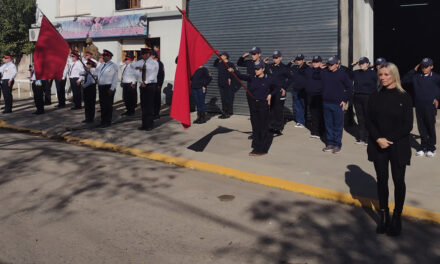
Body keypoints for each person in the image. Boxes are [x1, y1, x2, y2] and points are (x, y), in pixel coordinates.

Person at [366, 62, 413, 236]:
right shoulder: (374, 96)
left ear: (394, 75)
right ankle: (384, 215)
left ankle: (397, 217)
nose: (383, 78)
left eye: (386, 74)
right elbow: (369, 121)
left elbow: (407, 125)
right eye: (380, 75)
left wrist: (389, 139)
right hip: (378, 145)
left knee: (398, 181)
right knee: (382, 180)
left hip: (398, 146)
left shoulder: (404, 97)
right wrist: (378, 138)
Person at [229, 61, 277, 156]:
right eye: (255, 69)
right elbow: (241, 76)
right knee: (255, 126)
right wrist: (233, 71)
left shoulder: (269, 78)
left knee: (263, 126)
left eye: (258, 69)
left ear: (263, 69)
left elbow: (276, 88)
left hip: (263, 104)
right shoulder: (252, 77)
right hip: (254, 104)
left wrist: (271, 95)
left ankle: (262, 149)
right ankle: (256, 145)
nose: (256, 70)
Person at [402, 58, 440, 157]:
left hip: (430, 106)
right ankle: (423, 147)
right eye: (422, 66)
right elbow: (404, 80)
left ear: (431, 66)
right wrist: (414, 70)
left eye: (426, 66)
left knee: (430, 127)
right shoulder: (416, 77)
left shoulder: (436, 77)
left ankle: (431, 148)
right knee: (421, 127)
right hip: (419, 106)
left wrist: (437, 98)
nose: (424, 68)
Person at [321, 56, 353, 154]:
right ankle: (330, 143)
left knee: (337, 125)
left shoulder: (342, 74)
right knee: (328, 124)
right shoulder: (325, 73)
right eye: (328, 64)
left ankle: (337, 144)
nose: (329, 66)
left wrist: (345, 100)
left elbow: (350, 88)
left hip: (337, 104)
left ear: (337, 64)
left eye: (331, 64)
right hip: (326, 103)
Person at [351, 57, 378, 145]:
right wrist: (351, 66)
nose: (361, 65)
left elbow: (378, 85)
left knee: (368, 118)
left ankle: (368, 138)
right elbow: (346, 74)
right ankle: (361, 137)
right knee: (360, 118)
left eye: (363, 63)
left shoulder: (373, 73)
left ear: (367, 64)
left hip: (368, 97)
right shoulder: (356, 73)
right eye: (360, 63)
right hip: (357, 97)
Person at [131, 48, 159, 131]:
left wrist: (145, 82)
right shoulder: (140, 62)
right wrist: (137, 71)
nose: (143, 56)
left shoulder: (154, 63)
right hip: (142, 85)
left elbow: (154, 75)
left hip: (150, 85)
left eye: (144, 54)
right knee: (143, 106)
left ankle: (150, 124)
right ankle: (144, 124)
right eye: (142, 54)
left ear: (148, 54)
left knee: (149, 105)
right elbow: (132, 66)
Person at [238, 47, 263, 136]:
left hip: (260, 92)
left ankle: (262, 131)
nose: (252, 56)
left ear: (259, 54)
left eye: (254, 54)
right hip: (250, 91)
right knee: (253, 113)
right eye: (252, 54)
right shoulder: (249, 62)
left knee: (260, 113)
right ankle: (255, 132)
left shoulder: (263, 64)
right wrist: (243, 57)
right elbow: (239, 63)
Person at [265, 50, 290, 135]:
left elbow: (291, 78)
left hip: (280, 92)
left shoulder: (284, 68)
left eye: (276, 58)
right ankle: (272, 126)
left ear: (280, 58)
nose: (274, 59)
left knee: (278, 110)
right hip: (271, 91)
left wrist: (284, 88)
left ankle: (278, 128)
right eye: (273, 57)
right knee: (271, 109)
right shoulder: (270, 66)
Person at [95, 49, 118, 127]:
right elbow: (96, 73)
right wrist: (88, 70)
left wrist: (112, 88)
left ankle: (107, 121)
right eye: (103, 56)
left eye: (105, 56)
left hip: (108, 87)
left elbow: (115, 78)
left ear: (109, 57)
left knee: (108, 105)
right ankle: (103, 121)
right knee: (102, 105)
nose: (103, 57)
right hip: (101, 86)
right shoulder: (101, 65)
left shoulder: (113, 65)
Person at [304, 56, 325, 139]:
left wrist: (321, 69)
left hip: (320, 95)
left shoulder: (323, 71)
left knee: (321, 114)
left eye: (317, 62)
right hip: (310, 95)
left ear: (320, 62)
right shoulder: (309, 70)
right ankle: (314, 132)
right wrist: (305, 65)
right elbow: (300, 71)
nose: (315, 63)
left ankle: (321, 131)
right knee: (313, 114)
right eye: (314, 62)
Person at [287, 53, 308, 128]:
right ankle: (300, 121)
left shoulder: (306, 67)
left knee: (303, 106)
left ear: (303, 60)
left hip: (303, 90)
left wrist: (305, 64)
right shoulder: (294, 67)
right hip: (295, 90)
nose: (298, 61)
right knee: (298, 106)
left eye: (300, 60)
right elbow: (285, 69)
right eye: (297, 60)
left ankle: (303, 121)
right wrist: (290, 63)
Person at [214, 51, 235, 119]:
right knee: (223, 98)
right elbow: (214, 64)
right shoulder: (220, 64)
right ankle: (224, 112)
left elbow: (234, 73)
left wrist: (230, 78)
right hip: (221, 83)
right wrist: (217, 58)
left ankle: (228, 112)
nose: (221, 56)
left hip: (227, 83)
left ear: (226, 56)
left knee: (227, 98)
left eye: (222, 55)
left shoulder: (230, 64)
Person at [80, 59, 98, 123]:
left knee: (90, 104)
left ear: (91, 65)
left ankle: (90, 118)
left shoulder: (93, 71)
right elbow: (80, 73)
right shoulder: (88, 71)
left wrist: (83, 86)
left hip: (91, 88)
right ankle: (87, 118)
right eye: (87, 64)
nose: (87, 65)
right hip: (87, 89)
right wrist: (85, 70)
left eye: (88, 64)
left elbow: (91, 81)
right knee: (87, 104)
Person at [152, 50, 164, 119]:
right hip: (153, 84)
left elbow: (161, 75)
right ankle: (153, 112)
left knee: (156, 99)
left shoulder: (159, 63)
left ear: (154, 56)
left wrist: (159, 84)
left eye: (151, 55)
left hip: (157, 84)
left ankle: (156, 113)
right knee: (153, 99)